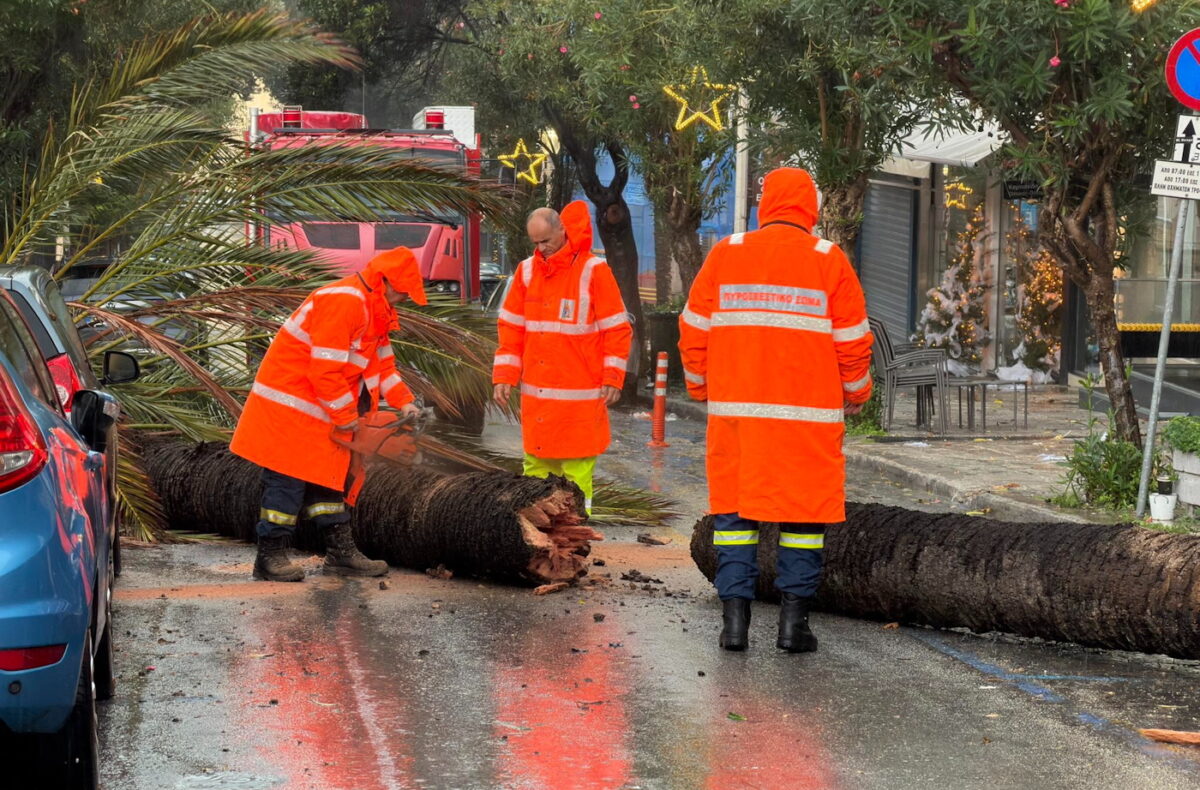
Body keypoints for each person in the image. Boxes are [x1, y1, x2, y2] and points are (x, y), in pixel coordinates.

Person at [678, 167, 874, 653]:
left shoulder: (727, 253)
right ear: (812, 209)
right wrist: (857, 393)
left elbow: (693, 329)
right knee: (803, 523)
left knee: (735, 519)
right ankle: (793, 627)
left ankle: (735, 626)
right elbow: (852, 341)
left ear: (764, 206)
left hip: (738, 418)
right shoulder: (830, 260)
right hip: (805, 421)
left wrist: (701, 388)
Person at [230, 247, 426, 582]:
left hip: (318, 409)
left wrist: (405, 401)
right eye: (403, 290)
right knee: (286, 484)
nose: (405, 298)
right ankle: (270, 557)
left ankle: (340, 554)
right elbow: (325, 371)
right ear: (383, 282)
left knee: (329, 480)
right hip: (290, 409)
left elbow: (383, 369)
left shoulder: (375, 311)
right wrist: (347, 416)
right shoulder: (345, 303)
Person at [492, 202, 632, 513]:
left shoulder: (593, 271)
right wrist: (503, 376)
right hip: (539, 396)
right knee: (535, 469)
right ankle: (532, 535)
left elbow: (617, 329)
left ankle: (576, 534)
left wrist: (613, 378)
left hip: (579, 398)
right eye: (535, 243)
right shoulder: (526, 271)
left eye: (546, 241)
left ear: (562, 231)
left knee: (577, 472)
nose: (541, 249)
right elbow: (511, 329)